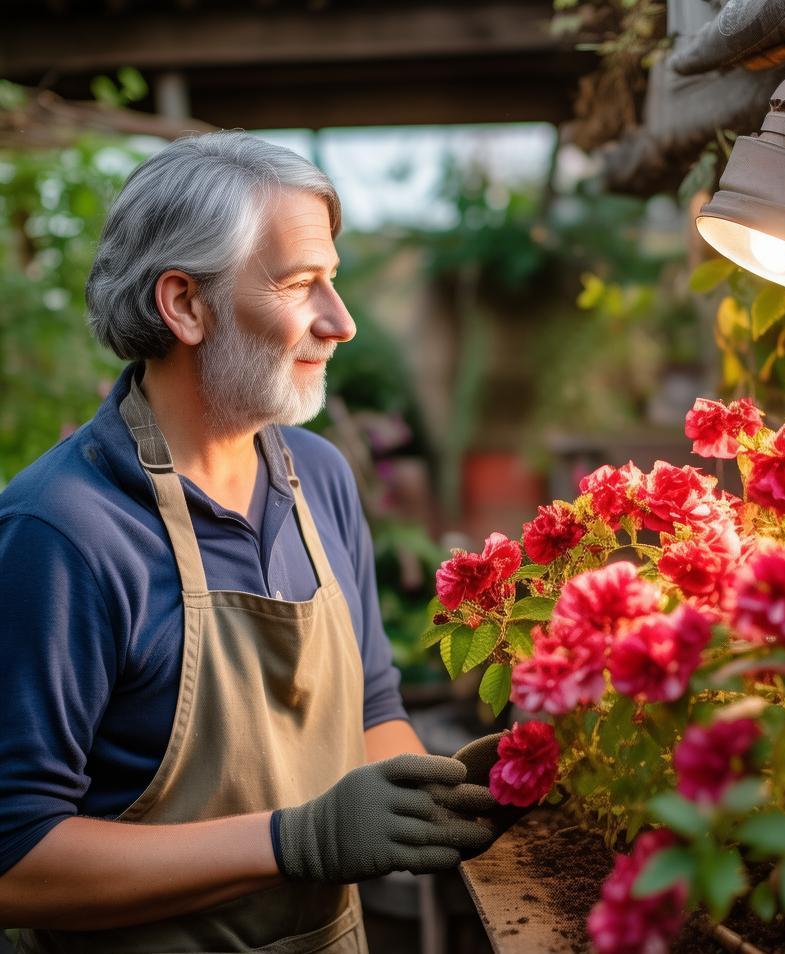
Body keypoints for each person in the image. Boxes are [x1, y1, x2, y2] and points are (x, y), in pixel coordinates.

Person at [0, 132, 506, 953]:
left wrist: (435, 797)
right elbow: (13, 860)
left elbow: (374, 709)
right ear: (185, 306)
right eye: (301, 284)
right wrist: (294, 842)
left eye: (332, 282)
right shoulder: (64, 534)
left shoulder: (317, 476)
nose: (340, 323)